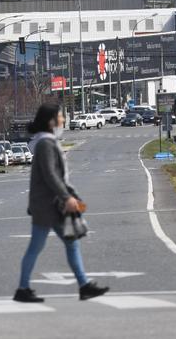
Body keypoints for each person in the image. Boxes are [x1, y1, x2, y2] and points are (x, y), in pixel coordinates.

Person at [15, 101, 109, 303]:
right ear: (51, 122)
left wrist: (71, 196)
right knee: (42, 246)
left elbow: (58, 176)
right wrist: (67, 197)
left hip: (50, 205)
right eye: (60, 117)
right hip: (49, 206)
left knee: (67, 243)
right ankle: (24, 288)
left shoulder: (46, 142)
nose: (63, 120)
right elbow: (50, 175)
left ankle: (83, 285)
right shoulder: (45, 144)